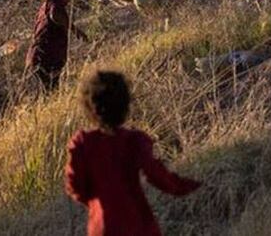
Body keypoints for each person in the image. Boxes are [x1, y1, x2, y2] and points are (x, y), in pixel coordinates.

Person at [65, 71, 201, 236]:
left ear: (89, 107)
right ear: (124, 105)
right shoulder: (135, 140)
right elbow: (157, 176)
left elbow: (75, 185)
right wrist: (191, 186)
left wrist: (96, 201)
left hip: (102, 227)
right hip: (138, 224)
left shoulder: (83, 143)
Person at [25, 0, 87, 90]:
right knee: (48, 90)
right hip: (45, 60)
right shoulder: (55, 5)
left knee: (48, 91)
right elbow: (55, 15)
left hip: (39, 59)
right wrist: (75, 30)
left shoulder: (45, 6)